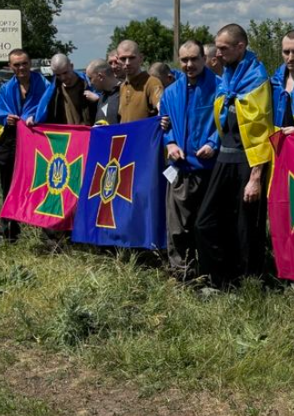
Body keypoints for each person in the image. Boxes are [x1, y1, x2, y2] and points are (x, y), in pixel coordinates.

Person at [196, 24, 274, 286]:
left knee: (246, 227)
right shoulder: (228, 77)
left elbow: (261, 132)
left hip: (246, 163)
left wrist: (256, 177)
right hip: (223, 159)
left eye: (223, 48)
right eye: (216, 48)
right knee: (206, 221)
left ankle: (249, 283)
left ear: (241, 47)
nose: (217, 54)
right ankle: (220, 278)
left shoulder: (257, 81)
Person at [159, 41, 219, 276]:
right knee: (177, 227)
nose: (189, 64)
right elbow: (165, 123)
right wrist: (171, 142)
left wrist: (213, 143)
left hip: (209, 169)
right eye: (184, 60)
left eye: (194, 59)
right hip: (180, 169)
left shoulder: (219, 87)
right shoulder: (171, 92)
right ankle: (182, 272)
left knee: (207, 226)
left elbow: (227, 123)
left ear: (204, 59)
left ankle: (210, 272)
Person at [0, 49, 47, 241]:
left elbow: (50, 107)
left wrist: (36, 117)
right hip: (11, 138)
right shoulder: (6, 88)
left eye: (24, 63)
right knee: (9, 187)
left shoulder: (45, 84)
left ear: (30, 63)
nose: (21, 67)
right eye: (16, 64)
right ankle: (8, 232)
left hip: (36, 138)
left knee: (40, 185)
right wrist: (7, 118)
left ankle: (47, 232)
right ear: (10, 66)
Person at [30, 53, 96, 126]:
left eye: (65, 73)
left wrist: (97, 100)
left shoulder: (88, 84)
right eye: (58, 75)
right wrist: (32, 117)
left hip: (87, 133)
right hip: (64, 134)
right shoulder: (52, 90)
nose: (62, 78)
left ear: (71, 66)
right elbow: (41, 110)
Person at [116, 40, 164, 122]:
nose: (127, 63)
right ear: (117, 60)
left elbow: (162, 107)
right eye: (123, 58)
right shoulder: (122, 87)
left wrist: (162, 115)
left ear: (141, 58)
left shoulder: (152, 82)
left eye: (132, 58)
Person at [85, 58, 122, 125]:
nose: (90, 83)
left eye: (90, 78)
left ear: (100, 76)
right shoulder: (103, 97)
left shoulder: (123, 94)